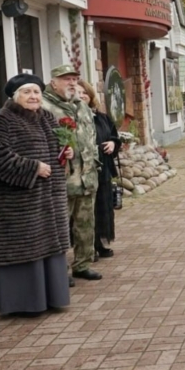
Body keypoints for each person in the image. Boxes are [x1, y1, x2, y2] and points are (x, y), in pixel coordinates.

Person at [0, 74, 71, 316]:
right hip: (16, 204)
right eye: (27, 92)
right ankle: (23, 303)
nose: (33, 96)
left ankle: (51, 297)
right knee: (26, 250)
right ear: (14, 96)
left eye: (37, 92)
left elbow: (55, 149)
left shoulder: (46, 118)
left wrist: (65, 153)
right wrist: (33, 168)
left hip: (47, 199)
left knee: (48, 248)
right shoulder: (1, 120)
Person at [42, 65, 101, 282]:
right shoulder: (44, 106)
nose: (72, 82)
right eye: (66, 79)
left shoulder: (81, 106)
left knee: (85, 223)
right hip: (61, 179)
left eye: (75, 78)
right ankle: (59, 271)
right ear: (54, 81)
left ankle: (82, 264)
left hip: (86, 177)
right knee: (59, 226)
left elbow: (91, 136)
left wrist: (94, 162)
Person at [76, 80, 121, 259]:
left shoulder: (102, 117)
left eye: (84, 93)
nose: (81, 96)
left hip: (103, 170)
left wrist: (112, 143)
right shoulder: (73, 117)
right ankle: (87, 248)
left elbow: (114, 137)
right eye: (77, 93)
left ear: (90, 96)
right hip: (83, 172)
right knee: (87, 211)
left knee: (103, 207)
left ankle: (100, 243)